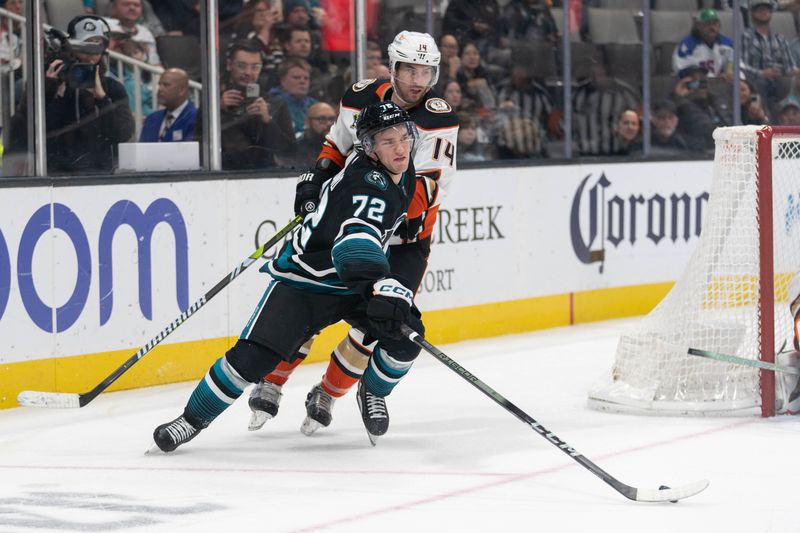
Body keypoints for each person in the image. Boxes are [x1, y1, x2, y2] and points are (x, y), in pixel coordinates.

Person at [150, 101, 424, 452]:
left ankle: (372, 390)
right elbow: (353, 244)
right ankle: (189, 420)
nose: (400, 148)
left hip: (353, 282)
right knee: (250, 361)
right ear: (370, 148)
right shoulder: (368, 184)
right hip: (308, 280)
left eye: (404, 137)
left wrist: (315, 177)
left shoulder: (400, 164)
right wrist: (378, 283)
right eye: (388, 141)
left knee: (406, 336)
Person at [247, 31, 459, 436]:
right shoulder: (361, 97)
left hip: (404, 239)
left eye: (427, 71)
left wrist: (371, 204)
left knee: (376, 323)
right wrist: (317, 178)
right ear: (392, 68)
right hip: (348, 226)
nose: (418, 80)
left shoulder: (438, 117)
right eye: (410, 69)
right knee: (309, 299)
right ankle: (272, 379)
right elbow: (336, 146)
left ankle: (329, 393)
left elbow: (427, 188)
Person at [44, 16, 135, 173]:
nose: (91, 54)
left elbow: (123, 134)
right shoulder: (56, 85)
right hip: (59, 174)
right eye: (84, 46)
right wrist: (53, 90)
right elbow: (39, 131)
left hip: (100, 173)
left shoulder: (113, 88)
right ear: (71, 49)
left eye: (97, 46)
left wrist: (102, 100)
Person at [215, 39, 294, 169]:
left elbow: (289, 151)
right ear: (229, 65)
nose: (248, 72)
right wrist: (217, 111)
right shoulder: (214, 103)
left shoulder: (276, 104)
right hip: (222, 175)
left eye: (255, 67)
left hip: (263, 176)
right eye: (241, 66)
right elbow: (200, 142)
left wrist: (267, 121)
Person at [741, 0, 798, 104]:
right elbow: (742, 66)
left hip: (778, 80)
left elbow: (789, 68)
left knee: (789, 82)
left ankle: (787, 114)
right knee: (760, 83)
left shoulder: (780, 38)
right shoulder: (746, 37)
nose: (764, 11)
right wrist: (762, 73)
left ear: (771, 13)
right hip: (756, 81)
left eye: (767, 9)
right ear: (753, 13)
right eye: (760, 9)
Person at [672, 8, 735, 80]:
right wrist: (713, 78)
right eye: (707, 24)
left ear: (719, 25)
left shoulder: (728, 44)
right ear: (698, 26)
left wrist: (731, 74)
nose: (712, 27)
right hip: (695, 86)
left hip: (722, 85)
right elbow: (681, 69)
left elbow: (738, 66)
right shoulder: (687, 45)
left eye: (715, 23)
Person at [139, 68, 197, 142]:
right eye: (159, 84)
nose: (160, 89)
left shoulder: (196, 119)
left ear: (182, 89)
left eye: (166, 85)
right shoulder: (151, 119)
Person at [274, 101, 336, 169]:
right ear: (307, 122)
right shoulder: (295, 150)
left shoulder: (341, 148)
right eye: (322, 119)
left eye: (332, 119)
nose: (329, 123)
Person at [267, 57, 317, 138]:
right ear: (282, 80)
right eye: (296, 77)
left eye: (306, 78)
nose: (302, 81)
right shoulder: (273, 105)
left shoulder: (315, 105)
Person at [104, 0, 161, 65]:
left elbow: (154, 63)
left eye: (136, 5)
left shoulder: (146, 32)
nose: (132, 8)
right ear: (114, 8)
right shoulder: (103, 23)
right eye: (126, 4)